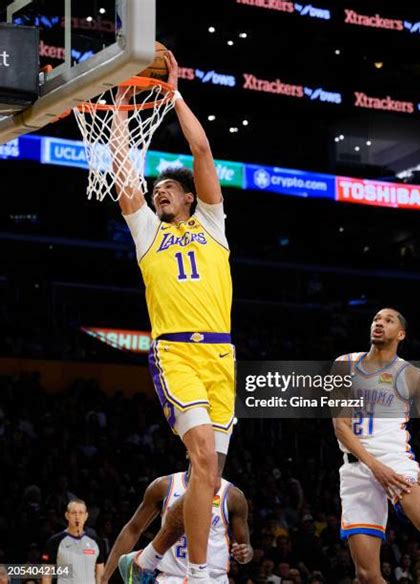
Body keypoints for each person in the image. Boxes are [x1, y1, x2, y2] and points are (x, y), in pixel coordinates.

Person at [110, 50, 235, 583]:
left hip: (222, 354)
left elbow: (201, 149)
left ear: (189, 198)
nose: (158, 193)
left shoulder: (212, 223)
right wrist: (120, 110)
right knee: (202, 456)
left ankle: (146, 559)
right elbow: (123, 173)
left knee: (210, 479)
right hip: (176, 351)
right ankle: (201, 573)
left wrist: (175, 93)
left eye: (168, 189)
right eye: (155, 190)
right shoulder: (146, 232)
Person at [332, 308, 420, 584]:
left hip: (396, 463)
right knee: (366, 575)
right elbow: (341, 427)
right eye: (376, 319)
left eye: (388, 320)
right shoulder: (344, 364)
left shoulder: (413, 376)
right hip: (357, 468)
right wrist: (377, 469)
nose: (379, 323)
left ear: (401, 334)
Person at [99, 469, 252, 584]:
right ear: (188, 452)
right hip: (170, 578)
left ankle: (142, 562)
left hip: (214, 579)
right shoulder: (165, 486)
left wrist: (245, 553)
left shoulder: (233, 496)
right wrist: (105, 577)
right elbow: (133, 529)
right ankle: (141, 563)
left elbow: (247, 550)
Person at [42, 499, 104, 584]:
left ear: (86, 516)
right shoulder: (54, 542)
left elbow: (100, 576)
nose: (77, 517)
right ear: (67, 515)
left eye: (81, 513)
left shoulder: (96, 542)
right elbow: (46, 576)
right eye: (74, 513)